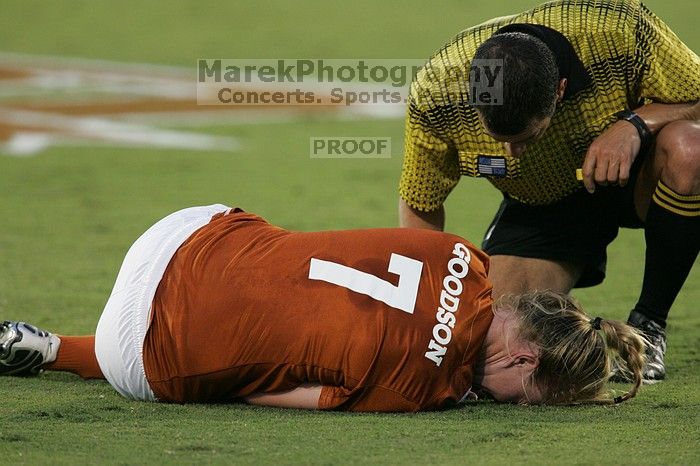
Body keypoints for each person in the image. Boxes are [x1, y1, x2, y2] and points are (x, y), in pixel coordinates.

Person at [0, 204, 645, 411]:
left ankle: (51, 348)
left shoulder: (462, 251)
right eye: (526, 395)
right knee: (241, 365)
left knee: (277, 273)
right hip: (134, 356)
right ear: (524, 356)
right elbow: (275, 395)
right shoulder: (424, 391)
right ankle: (67, 350)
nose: (511, 402)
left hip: (183, 230)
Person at [398, 0, 699, 382]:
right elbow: (421, 202)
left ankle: (650, 322)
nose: (513, 152)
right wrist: (421, 308)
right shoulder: (437, 92)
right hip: (543, 207)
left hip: (635, 176)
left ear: (560, 90)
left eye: (527, 137)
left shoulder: (620, 28)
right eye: (500, 139)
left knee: (691, 150)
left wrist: (635, 125)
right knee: (485, 350)